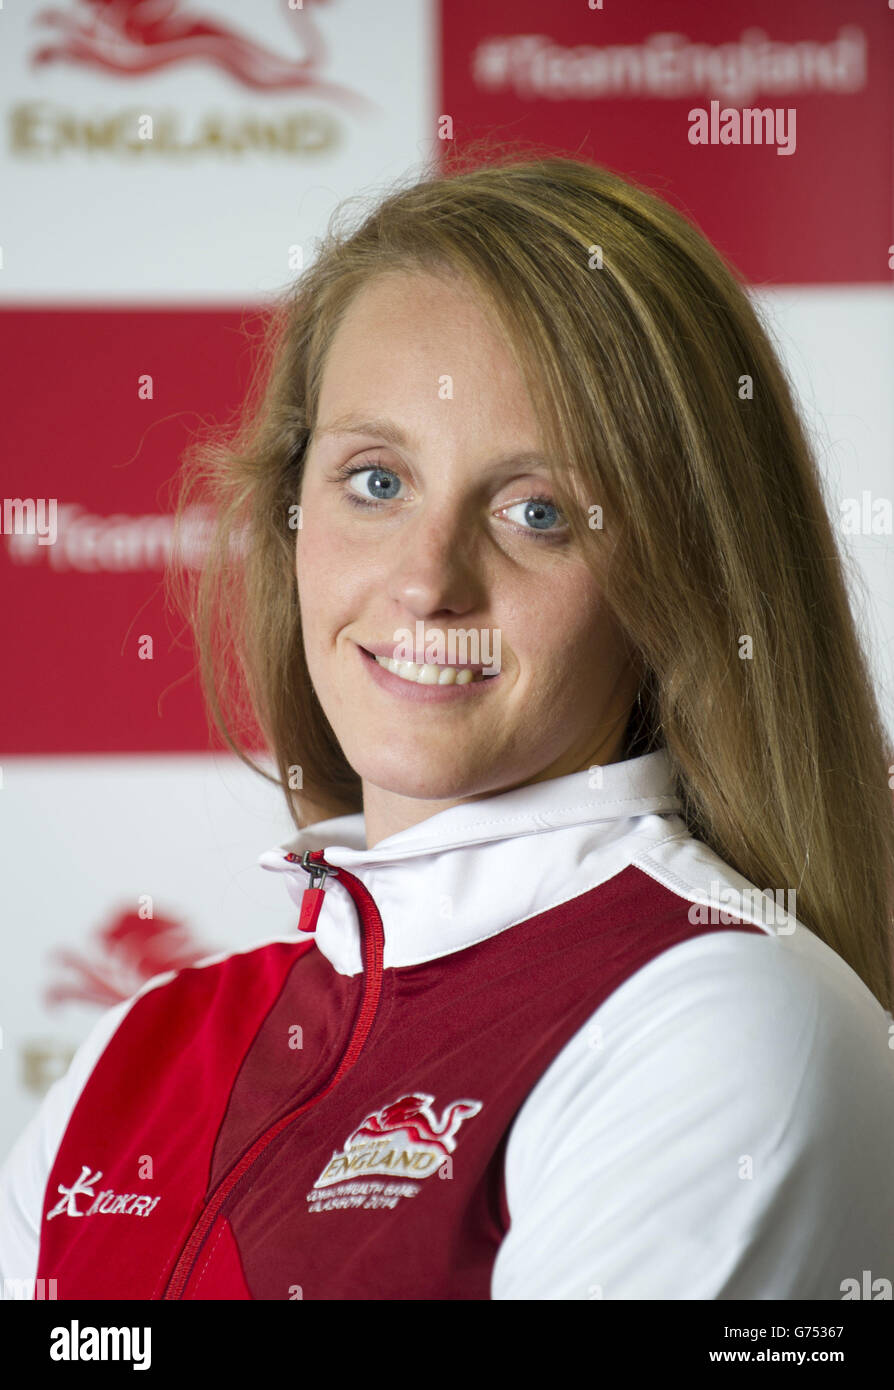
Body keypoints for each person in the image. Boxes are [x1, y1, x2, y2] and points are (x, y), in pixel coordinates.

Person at [2, 148, 894, 1301]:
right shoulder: (134, 1062)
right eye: (376, 481)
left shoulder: (728, 1022)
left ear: (683, 578)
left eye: (538, 511)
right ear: (291, 515)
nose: (427, 582)